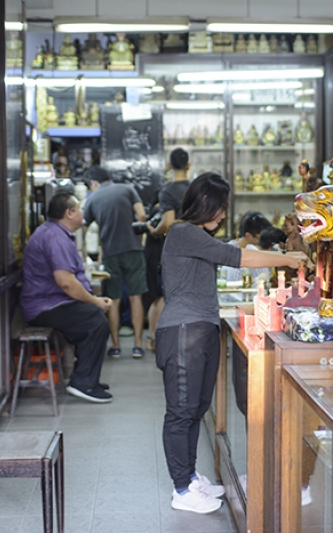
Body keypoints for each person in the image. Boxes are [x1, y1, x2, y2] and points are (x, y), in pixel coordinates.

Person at [156, 172, 303, 514]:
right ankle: (181, 489)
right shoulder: (182, 231)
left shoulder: (194, 236)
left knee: (195, 408)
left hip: (200, 329)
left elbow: (235, 249)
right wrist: (289, 259)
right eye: (220, 208)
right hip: (182, 332)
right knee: (181, 412)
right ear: (204, 204)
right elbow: (238, 257)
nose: (223, 215)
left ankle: (190, 476)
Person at [20, 190, 112, 403]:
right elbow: (66, 283)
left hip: (53, 301)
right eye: (78, 208)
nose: (81, 212)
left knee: (91, 318)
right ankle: (83, 383)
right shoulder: (54, 237)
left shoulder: (57, 233)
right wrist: (95, 301)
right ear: (69, 213)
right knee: (95, 320)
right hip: (45, 306)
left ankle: (87, 376)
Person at [83, 166, 147, 359]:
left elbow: (83, 228)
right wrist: (139, 239)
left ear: (93, 183)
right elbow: (142, 215)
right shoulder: (128, 189)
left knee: (114, 300)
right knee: (136, 297)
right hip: (134, 251)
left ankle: (116, 347)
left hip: (111, 253)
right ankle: (137, 345)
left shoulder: (92, 198)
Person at [145, 148, 191, 350]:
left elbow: (169, 222)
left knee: (167, 295)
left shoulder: (168, 191)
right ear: (189, 166)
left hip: (173, 250)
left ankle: (161, 339)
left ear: (169, 166)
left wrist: (155, 231)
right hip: (196, 248)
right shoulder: (195, 188)